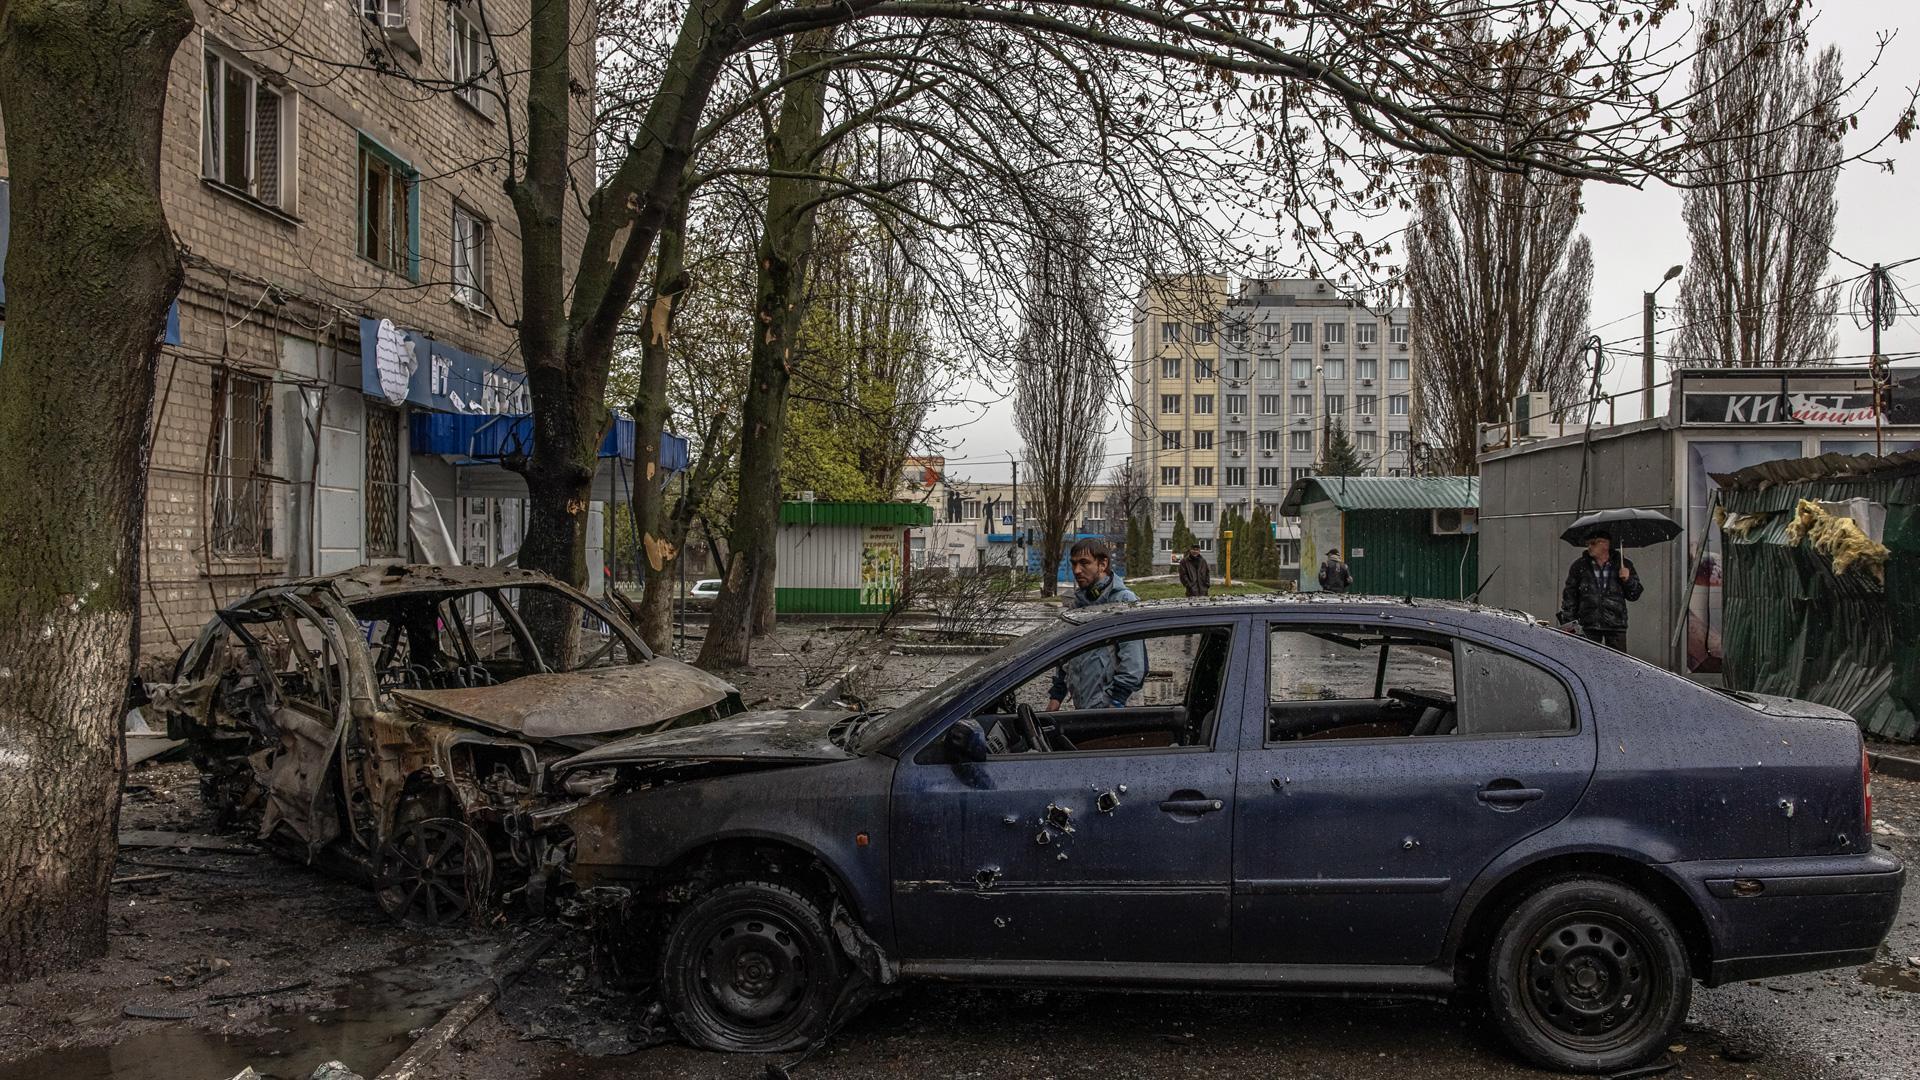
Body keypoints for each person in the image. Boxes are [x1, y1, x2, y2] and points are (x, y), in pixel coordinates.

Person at [1047, 538, 1147, 711]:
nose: (1077, 570)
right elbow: (1067, 655)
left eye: (1084, 563)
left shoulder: (1122, 602)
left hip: (1111, 711)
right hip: (1085, 709)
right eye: (1074, 564)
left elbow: (1134, 663)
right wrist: (1056, 696)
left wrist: (1116, 702)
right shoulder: (1078, 605)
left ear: (1102, 564)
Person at [1559, 532, 1642, 649]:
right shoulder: (1580, 566)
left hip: (1615, 624)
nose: (1589, 547)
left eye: (1593, 543)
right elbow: (1570, 595)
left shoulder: (1623, 564)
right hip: (1588, 623)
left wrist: (1627, 580)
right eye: (1588, 544)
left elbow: (1634, 594)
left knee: (1617, 659)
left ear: (1605, 544)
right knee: (1587, 657)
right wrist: (1569, 622)